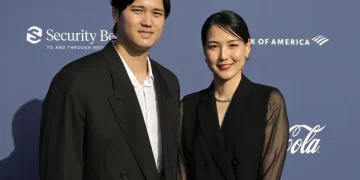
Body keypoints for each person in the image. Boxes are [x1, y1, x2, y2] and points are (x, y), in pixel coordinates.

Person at [39, 0, 181, 180]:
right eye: (138, 10)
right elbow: (60, 169)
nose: (148, 21)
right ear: (115, 14)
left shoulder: (168, 82)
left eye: (157, 13)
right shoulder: (76, 80)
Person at [178, 10, 289, 180]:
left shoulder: (268, 101)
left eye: (232, 45)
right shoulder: (188, 106)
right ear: (204, 51)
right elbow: (181, 171)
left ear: (248, 47)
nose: (223, 56)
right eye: (214, 46)